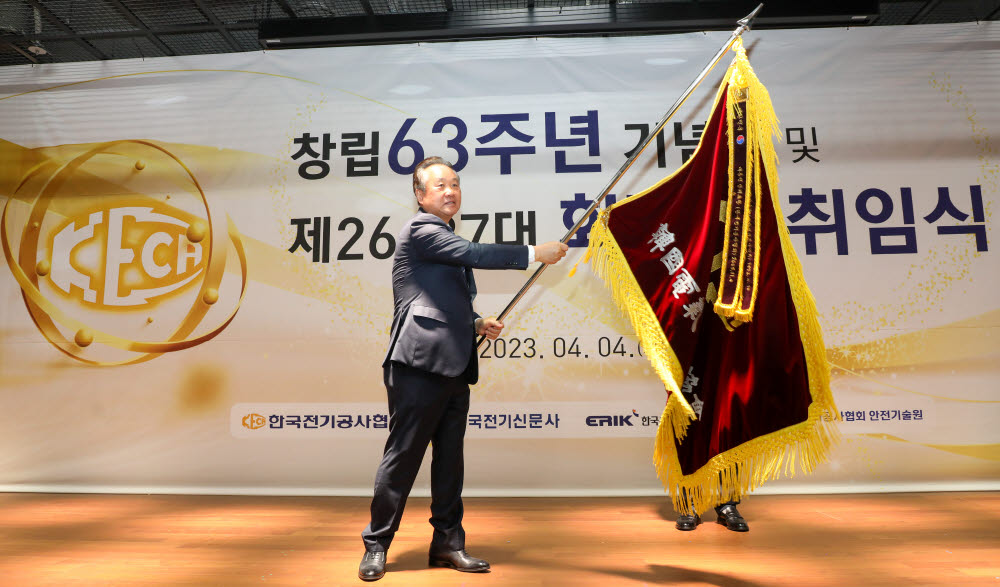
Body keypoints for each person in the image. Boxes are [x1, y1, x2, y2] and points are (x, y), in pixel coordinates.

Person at [359, 156, 569, 581]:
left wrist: (475, 323)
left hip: (455, 364)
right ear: (420, 196)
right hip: (417, 362)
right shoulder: (422, 230)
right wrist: (533, 253)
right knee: (403, 458)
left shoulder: (444, 238)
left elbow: (437, 300)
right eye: (439, 185)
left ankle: (448, 544)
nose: (450, 190)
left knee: (449, 461)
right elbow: (474, 254)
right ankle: (376, 543)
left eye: (455, 183)